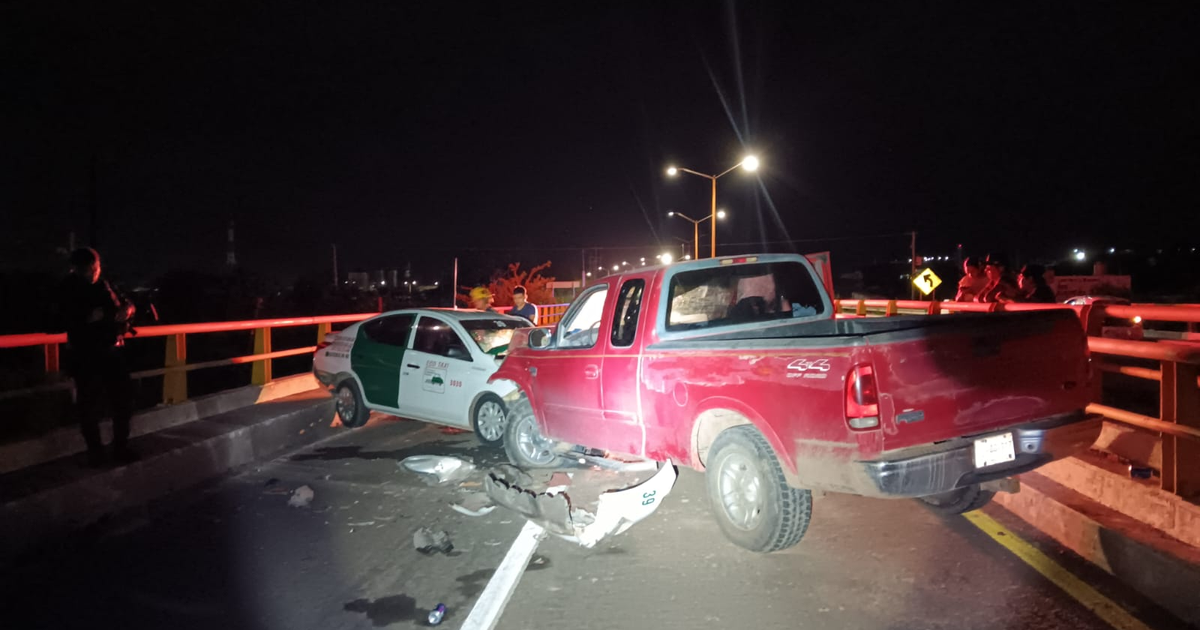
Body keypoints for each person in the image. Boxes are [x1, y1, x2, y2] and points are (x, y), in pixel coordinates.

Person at [58, 248, 138, 466]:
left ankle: (119, 448)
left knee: (123, 401)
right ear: (77, 269)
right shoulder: (68, 289)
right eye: (88, 270)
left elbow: (126, 303)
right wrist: (89, 317)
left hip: (111, 350)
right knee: (89, 405)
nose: (93, 273)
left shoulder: (104, 284)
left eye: (95, 268)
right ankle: (97, 453)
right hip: (86, 353)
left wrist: (126, 310)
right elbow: (59, 319)